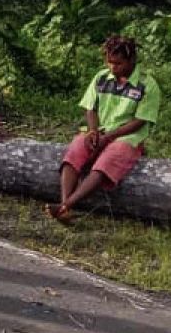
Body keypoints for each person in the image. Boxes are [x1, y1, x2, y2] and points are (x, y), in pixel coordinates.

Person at [47, 35, 159, 223]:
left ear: (131, 61)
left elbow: (140, 120)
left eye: (118, 63)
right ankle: (64, 203)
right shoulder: (101, 78)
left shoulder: (148, 85)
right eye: (109, 63)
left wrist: (110, 137)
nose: (113, 68)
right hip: (99, 131)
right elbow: (90, 107)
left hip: (128, 138)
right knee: (75, 149)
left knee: (105, 163)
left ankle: (67, 205)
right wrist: (92, 131)